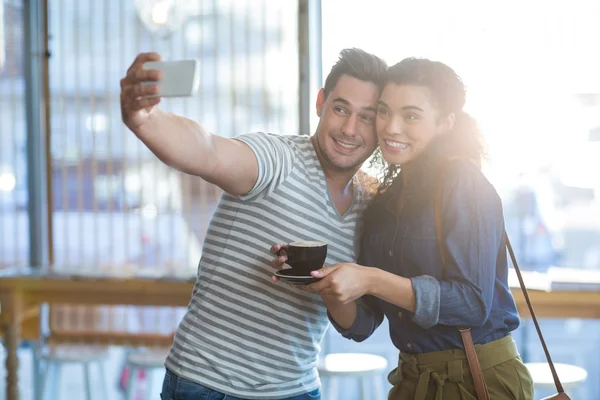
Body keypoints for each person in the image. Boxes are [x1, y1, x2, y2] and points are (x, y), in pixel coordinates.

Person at [119, 48, 387, 400]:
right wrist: (143, 118)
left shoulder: (370, 205)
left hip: (296, 389)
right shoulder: (279, 159)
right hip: (207, 385)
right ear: (320, 103)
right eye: (340, 109)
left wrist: (331, 290)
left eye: (366, 118)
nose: (350, 129)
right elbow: (207, 151)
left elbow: (360, 325)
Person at [295, 58, 535, 399]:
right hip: (411, 380)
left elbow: (471, 303)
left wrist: (370, 278)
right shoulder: (383, 203)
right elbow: (362, 325)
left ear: (445, 123)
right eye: (383, 111)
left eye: (410, 116)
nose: (391, 128)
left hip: (479, 379)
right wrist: (328, 286)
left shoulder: (463, 183)